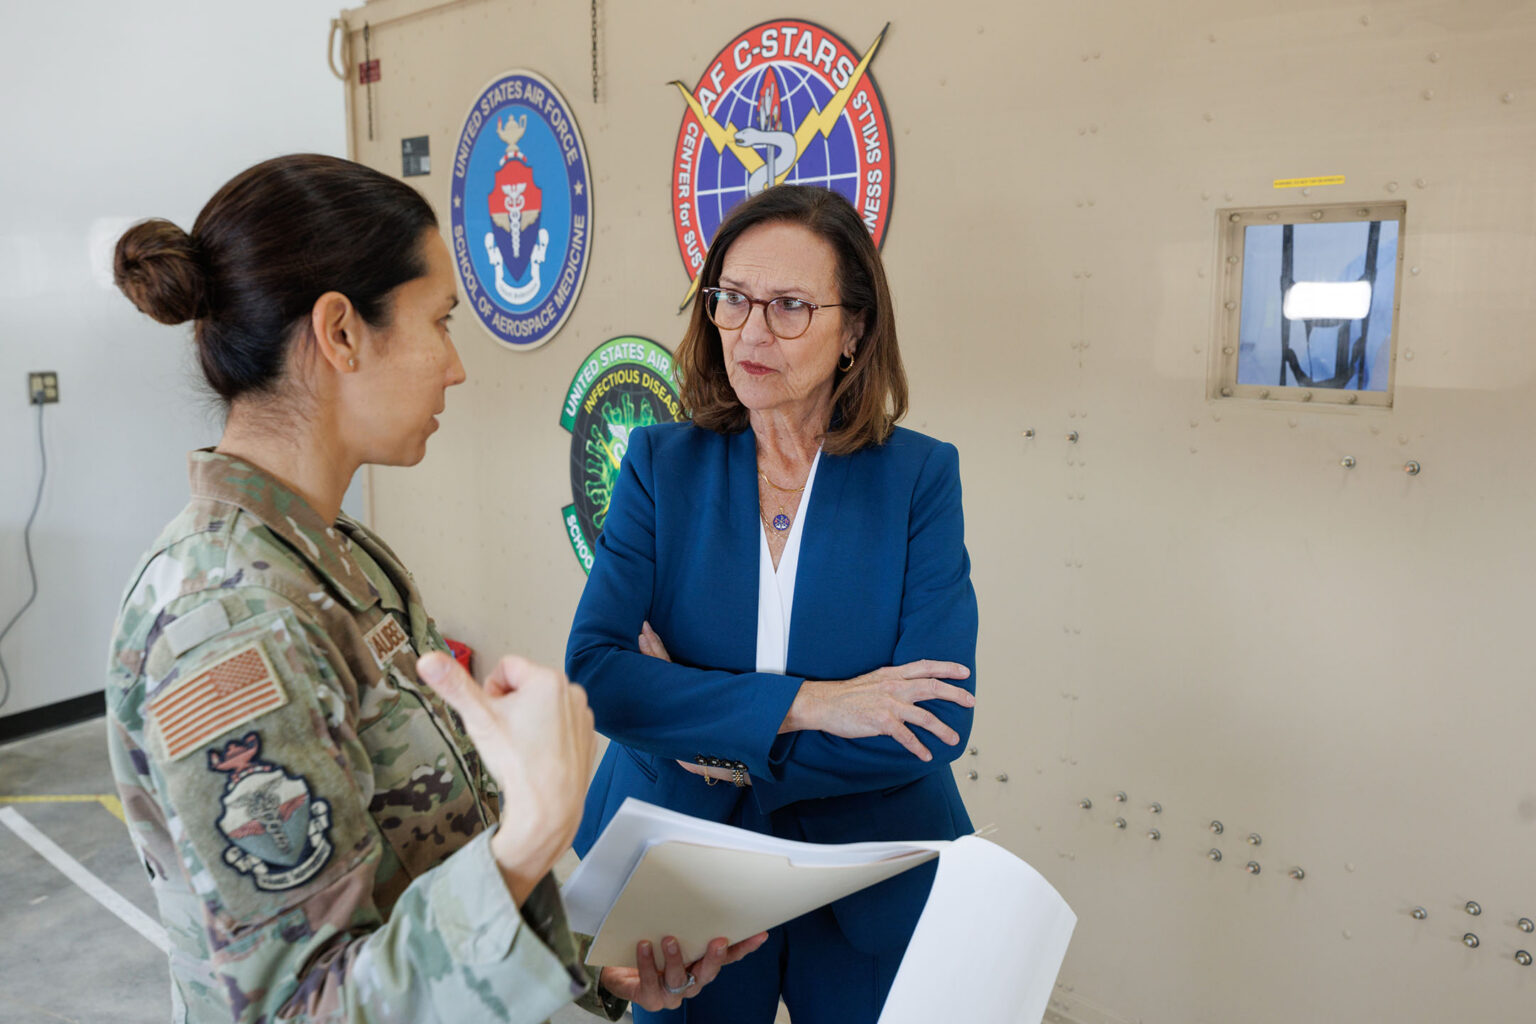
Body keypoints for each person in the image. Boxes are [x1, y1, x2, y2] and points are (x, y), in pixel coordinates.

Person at [105, 153, 765, 1024]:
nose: (455, 367)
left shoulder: (338, 555)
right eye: (440, 321)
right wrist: (534, 832)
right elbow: (304, 1007)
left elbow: (422, 865)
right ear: (340, 332)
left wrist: (585, 968)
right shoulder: (229, 623)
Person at [566, 184, 979, 1024]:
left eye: (790, 306)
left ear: (854, 328)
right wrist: (813, 706)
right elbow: (599, 676)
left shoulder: (918, 479)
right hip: (684, 873)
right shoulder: (659, 463)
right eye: (733, 300)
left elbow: (932, 720)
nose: (751, 333)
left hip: (869, 872)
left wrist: (704, 725)